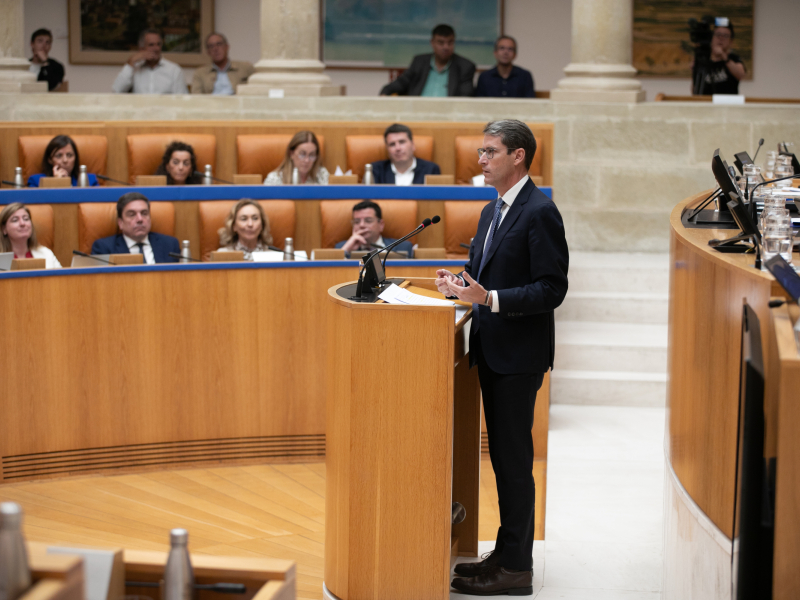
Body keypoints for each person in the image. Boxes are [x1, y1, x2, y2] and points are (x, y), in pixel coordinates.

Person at [436, 120, 568, 596]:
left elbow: (552, 289)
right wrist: (458, 284)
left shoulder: (539, 212)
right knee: (505, 462)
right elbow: (482, 273)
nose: (481, 159)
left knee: (514, 463)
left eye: (490, 151)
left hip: (519, 356)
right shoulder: (493, 211)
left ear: (518, 156)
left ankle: (516, 569)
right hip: (492, 351)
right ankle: (507, 551)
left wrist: (488, 297)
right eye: (481, 150)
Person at [380, 24, 475, 97]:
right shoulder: (419, 62)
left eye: (450, 42)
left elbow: (465, 99)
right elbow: (399, 84)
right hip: (417, 115)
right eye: (441, 43)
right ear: (432, 43)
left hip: (449, 118)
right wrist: (385, 93)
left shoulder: (465, 67)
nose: (446, 47)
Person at [91, 192, 180, 264]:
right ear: (120, 223)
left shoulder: (170, 245)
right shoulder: (104, 248)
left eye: (144, 213)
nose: (140, 219)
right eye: (132, 214)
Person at [112, 29, 187, 94]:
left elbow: (183, 99)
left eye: (158, 44)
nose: (156, 48)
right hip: (140, 109)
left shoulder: (174, 70)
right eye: (151, 45)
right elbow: (117, 91)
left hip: (164, 110)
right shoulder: (135, 69)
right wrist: (131, 62)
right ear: (142, 49)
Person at [335, 200, 414, 257]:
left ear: (381, 225)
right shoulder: (341, 248)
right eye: (357, 221)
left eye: (368, 221)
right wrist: (346, 250)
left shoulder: (403, 248)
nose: (361, 225)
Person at [370, 123, 441, 185]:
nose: (398, 148)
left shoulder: (431, 169)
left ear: (413, 145)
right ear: (387, 149)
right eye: (392, 144)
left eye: (402, 142)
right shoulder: (375, 170)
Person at [692, 18, 746, 95]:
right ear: (711, 37)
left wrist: (724, 57)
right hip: (707, 104)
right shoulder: (703, 60)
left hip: (728, 104)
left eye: (725, 36)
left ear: (731, 41)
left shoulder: (733, 58)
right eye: (718, 35)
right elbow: (694, 91)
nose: (721, 38)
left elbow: (741, 75)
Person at [0, 203, 61, 268]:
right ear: (4, 229)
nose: (22, 223)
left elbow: (61, 278)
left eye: (26, 219)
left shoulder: (46, 253)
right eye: (15, 220)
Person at [27, 135, 99, 187]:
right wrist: (56, 182)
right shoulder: (36, 181)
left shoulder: (90, 180)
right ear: (50, 160)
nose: (65, 160)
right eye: (59, 156)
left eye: (69, 155)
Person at [264, 131, 329, 185]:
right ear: (291, 154)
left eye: (311, 155)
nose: (307, 160)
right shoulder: (275, 179)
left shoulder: (322, 175)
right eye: (302, 154)